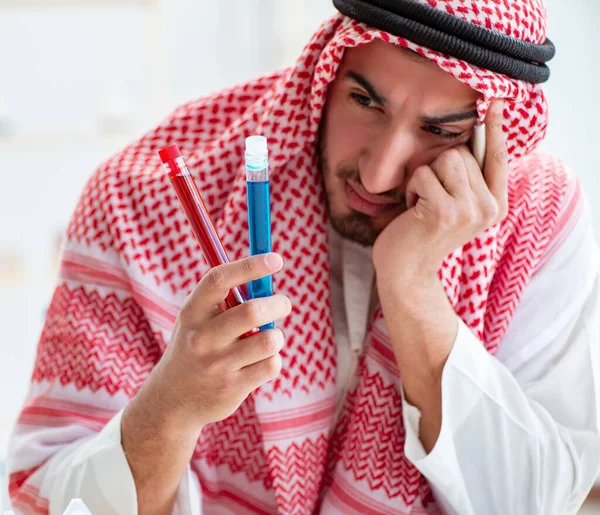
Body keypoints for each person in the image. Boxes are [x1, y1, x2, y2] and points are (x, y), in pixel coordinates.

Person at [7, 0, 600, 514]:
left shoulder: (538, 219)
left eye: (439, 131)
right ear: (327, 68)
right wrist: (171, 407)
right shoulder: (139, 199)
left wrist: (416, 291)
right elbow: (54, 501)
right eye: (365, 101)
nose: (378, 171)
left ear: (488, 134)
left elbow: (534, 500)